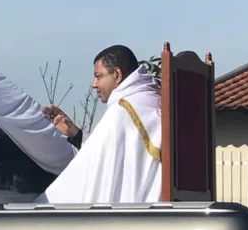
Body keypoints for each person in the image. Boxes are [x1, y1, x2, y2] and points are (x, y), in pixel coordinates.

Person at [38, 45, 162, 205]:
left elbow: (95, 166)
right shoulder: (150, 98)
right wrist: (76, 134)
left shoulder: (122, 110)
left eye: (98, 76)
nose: (93, 84)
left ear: (117, 75)